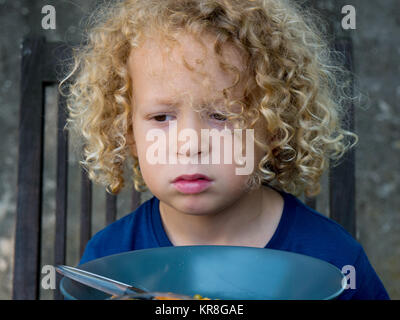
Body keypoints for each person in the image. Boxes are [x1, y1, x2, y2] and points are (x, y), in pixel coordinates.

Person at [62, 0, 389, 299]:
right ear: (127, 132)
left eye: (222, 116)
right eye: (161, 117)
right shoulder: (107, 263)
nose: (190, 144)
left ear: (276, 126)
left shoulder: (334, 260)